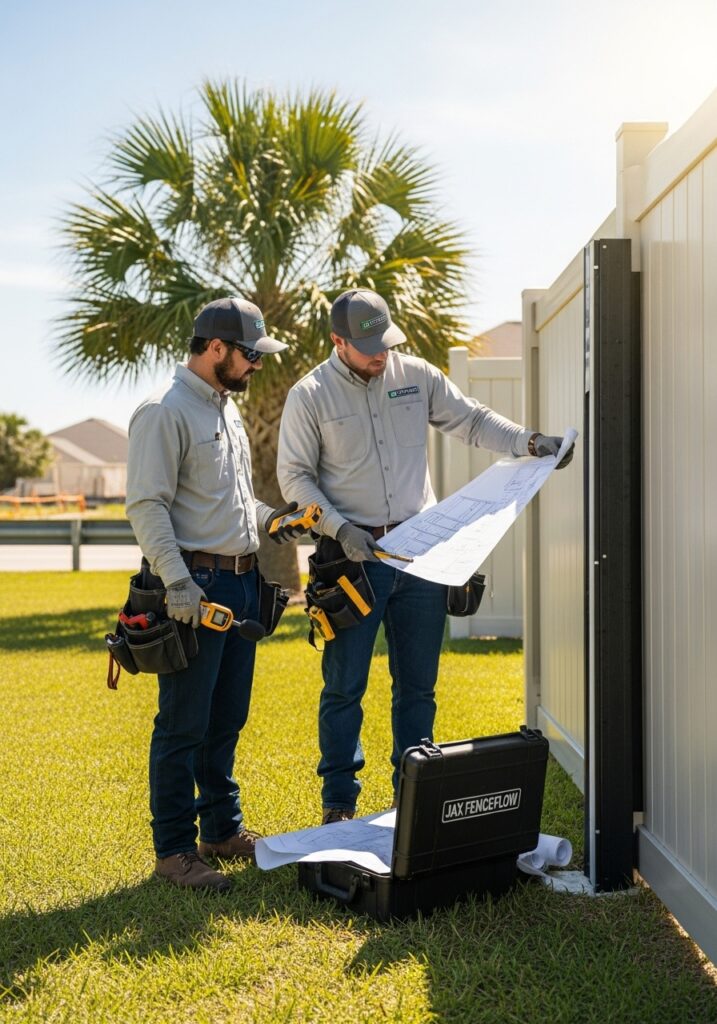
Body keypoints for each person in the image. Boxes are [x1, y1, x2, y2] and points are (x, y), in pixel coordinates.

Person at [277, 288, 573, 824]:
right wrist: (341, 530)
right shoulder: (310, 395)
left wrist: (531, 442)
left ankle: (409, 798)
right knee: (345, 684)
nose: (380, 355)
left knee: (418, 685)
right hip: (350, 562)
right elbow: (295, 479)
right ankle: (338, 805)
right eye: (367, 346)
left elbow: (474, 421)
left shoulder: (417, 375)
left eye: (385, 342)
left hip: (421, 555)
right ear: (337, 342)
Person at [126, 296, 310, 891]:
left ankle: (221, 831)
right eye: (250, 355)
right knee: (183, 723)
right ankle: (174, 851)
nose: (257, 365)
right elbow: (146, 504)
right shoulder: (164, 411)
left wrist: (274, 520)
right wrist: (176, 580)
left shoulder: (225, 409)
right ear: (215, 349)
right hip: (195, 586)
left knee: (227, 717)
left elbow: (231, 504)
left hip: (239, 579)